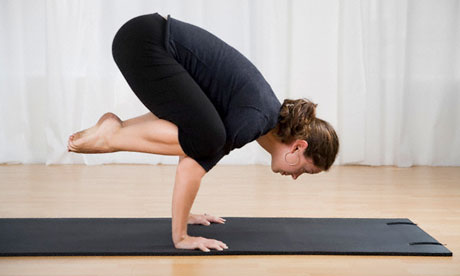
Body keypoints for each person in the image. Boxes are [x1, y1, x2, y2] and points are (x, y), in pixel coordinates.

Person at [67, 12, 339, 253]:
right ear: (298, 147)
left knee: (206, 135)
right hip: (145, 43)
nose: (294, 177)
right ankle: (111, 136)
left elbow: (190, 137)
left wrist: (186, 214)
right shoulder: (256, 120)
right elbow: (192, 165)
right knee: (209, 140)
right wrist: (182, 237)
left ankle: (115, 130)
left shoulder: (262, 117)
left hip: (143, 37)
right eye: (304, 170)